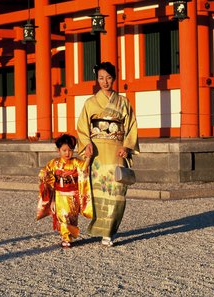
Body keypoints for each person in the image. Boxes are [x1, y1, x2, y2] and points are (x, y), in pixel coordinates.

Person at [77, 61, 139, 247]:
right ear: (97, 79)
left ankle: (110, 231)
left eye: (109, 78)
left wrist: (127, 146)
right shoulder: (90, 103)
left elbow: (131, 126)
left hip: (116, 150)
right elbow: (82, 127)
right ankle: (100, 227)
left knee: (116, 191)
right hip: (97, 153)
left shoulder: (123, 102)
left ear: (114, 79)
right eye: (101, 78)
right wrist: (86, 143)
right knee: (97, 191)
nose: (105, 82)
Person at [36, 134, 93, 248]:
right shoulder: (53, 163)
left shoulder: (76, 162)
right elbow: (46, 176)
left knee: (72, 218)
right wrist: (45, 174)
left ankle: (70, 235)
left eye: (70, 150)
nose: (67, 153)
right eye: (64, 150)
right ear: (58, 150)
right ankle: (65, 237)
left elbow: (84, 169)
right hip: (59, 195)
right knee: (63, 216)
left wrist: (88, 158)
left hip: (73, 196)